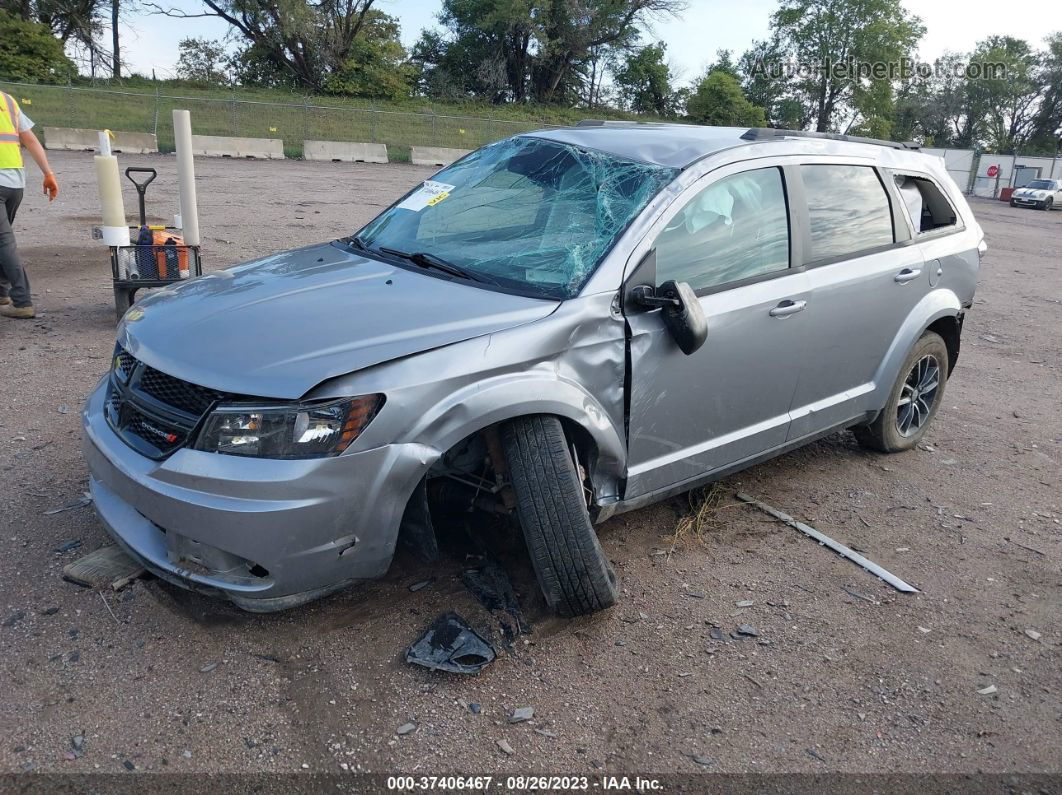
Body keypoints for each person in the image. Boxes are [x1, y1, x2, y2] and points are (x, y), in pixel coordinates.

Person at [1, 90, 59, 320]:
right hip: (14, 184)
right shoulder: (7, 100)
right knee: (2, 240)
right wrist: (48, 173)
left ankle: (22, 301)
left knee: (4, 241)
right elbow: (30, 139)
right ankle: (2, 293)